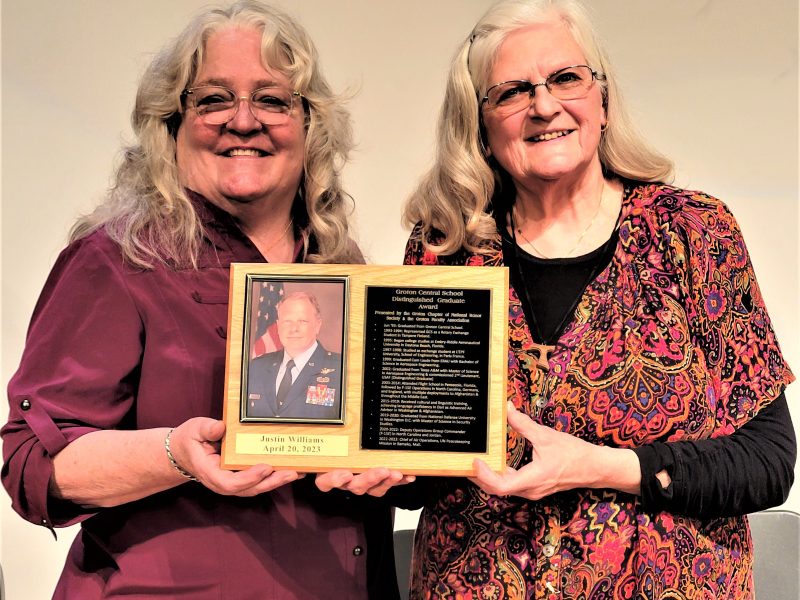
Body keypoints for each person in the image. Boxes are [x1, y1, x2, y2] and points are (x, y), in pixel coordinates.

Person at [1, 1, 405, 598]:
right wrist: (174, 453)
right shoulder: (118, 258)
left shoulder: (342, 273)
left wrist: (393, 466)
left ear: (310, 125)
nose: (244, 121)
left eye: (272, 99)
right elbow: (34, 461)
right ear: (173, 123)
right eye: (214, 99)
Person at [401, 0, 796, 597]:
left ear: (602, 102)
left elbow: (766, 462)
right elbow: (425, 470)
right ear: (479, 124)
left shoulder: (692, 231)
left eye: (566, 78)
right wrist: (379, 467)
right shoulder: (445, 251)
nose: (543, 105)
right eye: (511, 92)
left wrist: (606, 467)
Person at [248, 291, 343, 420]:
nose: (294, 329)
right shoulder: (256, 368)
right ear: (278, 325)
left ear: (317, 325)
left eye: (302, 321)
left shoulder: (340, 370)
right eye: (287, 321)